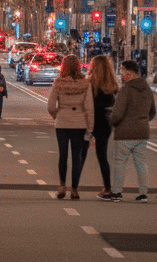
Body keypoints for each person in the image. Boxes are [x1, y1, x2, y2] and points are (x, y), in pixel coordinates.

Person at [108, 59, 156, 202]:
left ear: (128, 73)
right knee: (141, 162)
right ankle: (143, 193)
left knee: (120, 162)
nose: (121, 74)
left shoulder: (126, 89)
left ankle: (117, 192)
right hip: (142, 131)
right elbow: (152, 111)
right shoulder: (147, 89)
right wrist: (142, 121)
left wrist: (113, 121)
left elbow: (117, 113)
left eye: (122, 71)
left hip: (125, 132)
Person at [47, 53, 93, 200]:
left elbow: (50, 105)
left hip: (62, 123)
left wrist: (57, 115)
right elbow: (89, 107)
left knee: (63, 155)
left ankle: (62, 186)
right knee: (76, 157)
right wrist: (90, 126)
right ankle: (74, 189)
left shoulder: (59, 82)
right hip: (80, 123)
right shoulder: (85, 84)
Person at [87, 54, 119, 200]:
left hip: (93, 123)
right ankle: (107, 187)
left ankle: (74, 186)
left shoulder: (90, 84)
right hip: (106, 124)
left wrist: (91, 131)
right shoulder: (111, 85)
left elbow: (90, 107)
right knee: (102, 156)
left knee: (80, 155)